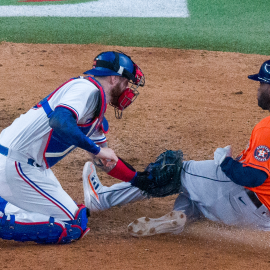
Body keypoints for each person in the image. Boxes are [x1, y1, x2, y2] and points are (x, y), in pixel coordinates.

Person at [82, 60, 270, 237]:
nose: (258, 89)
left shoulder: (266, 128)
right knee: (197, 196)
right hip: (261, 222)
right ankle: (180, 217)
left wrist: (225, 161)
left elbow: (252, 177)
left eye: (261, 84)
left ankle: (102, 198)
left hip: (241, 200)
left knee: (174, 172)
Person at [0, 51, 145, 243]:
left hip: (25, 165)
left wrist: (141, 180)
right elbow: (59, 121)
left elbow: (107, 161)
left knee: (76, 216)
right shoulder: (86, 89)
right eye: (126, 82)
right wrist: (98, 150)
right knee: (70, 226)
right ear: (113, 78)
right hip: (15, 165)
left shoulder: (94, 110)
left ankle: (5, 203)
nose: (127, 88)